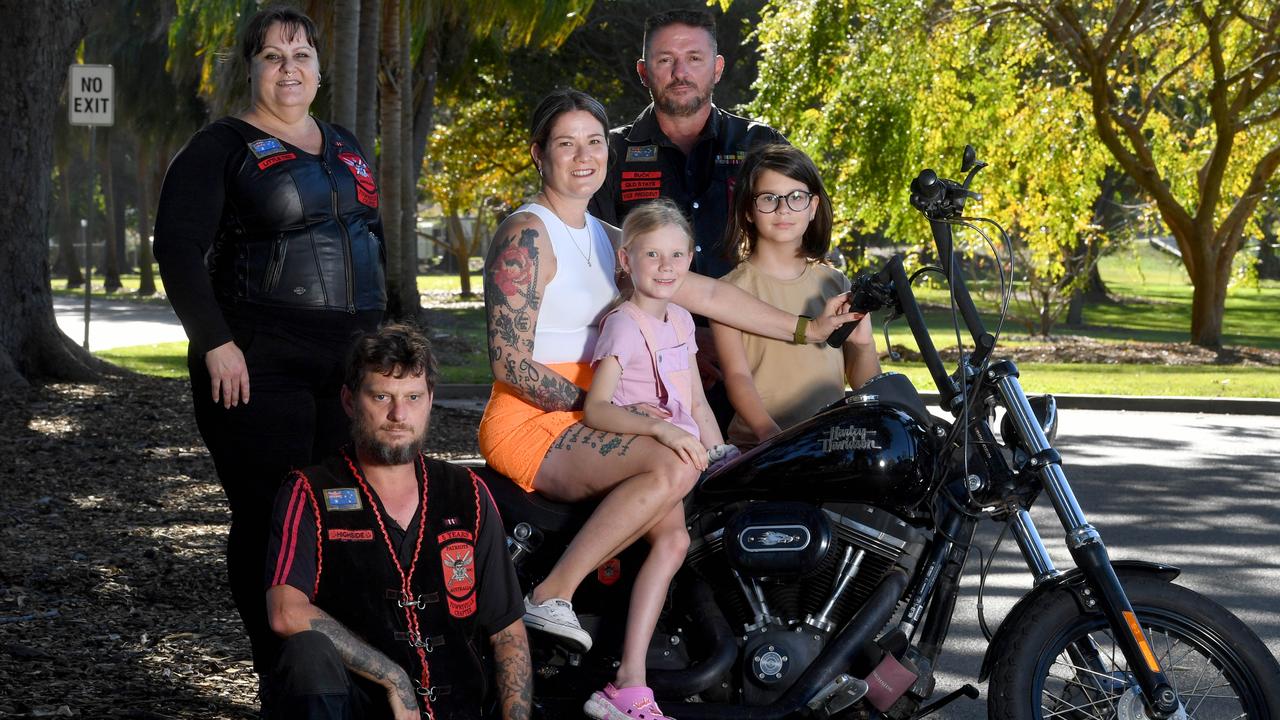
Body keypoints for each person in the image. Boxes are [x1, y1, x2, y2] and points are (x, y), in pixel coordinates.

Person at [478, 88, 857, 720]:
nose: (583, 157)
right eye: (566, 143)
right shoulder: (528, 232)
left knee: (678, 537)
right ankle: (551, 592)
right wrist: (600, 402)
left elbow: (709, 294)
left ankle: (626, 685)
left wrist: (807, 330)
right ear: (539, 155)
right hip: (533, 420)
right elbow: (507, 363)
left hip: (594, 411)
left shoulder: (607, 237)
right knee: (675, 459)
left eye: (594, 141)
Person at [153, 5, 385, 677]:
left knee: (343, 507)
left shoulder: (345, 144)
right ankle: (278, 670)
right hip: (258, 360)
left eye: (302, 56)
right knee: (271, 514)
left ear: (319, 68)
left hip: (349, 362)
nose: (291, 69)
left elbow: (369, 242)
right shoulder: (218, 148)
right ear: (251, 68)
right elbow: (177, 249)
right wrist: (215, 342)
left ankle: (338, 664)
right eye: (274, 57)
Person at [263, 324, 530, 720]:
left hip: (459, 711)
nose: (398, 414)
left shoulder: (467, 492)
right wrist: (394, 678)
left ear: (430, 401)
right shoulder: (310, 491)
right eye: (382, 396)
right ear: (350, 402)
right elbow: (285, 612)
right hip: (359, 710)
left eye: (413, 397)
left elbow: (507, 632)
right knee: (307, 653)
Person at [588, 8, 788, 430]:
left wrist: (728, 335)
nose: (680, 72)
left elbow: (794, 247)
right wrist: (680, 335)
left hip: (758, 352)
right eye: (665, 60)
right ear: (644, 71)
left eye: (694, 58)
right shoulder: (610, 155)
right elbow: (596, 263)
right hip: (646, 366)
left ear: (717, 68)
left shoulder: (761, 146)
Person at [712, 145, 881, 447]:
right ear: (748, 210)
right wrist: (769, 435)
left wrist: (864, 344)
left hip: (830, 445)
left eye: (796, 197)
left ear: (813, 206)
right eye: (769, 198)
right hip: (760, 448)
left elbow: (863, 382)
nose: (783, 209)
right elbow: (737, 378)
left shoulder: (835, 282)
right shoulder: (727, 291)